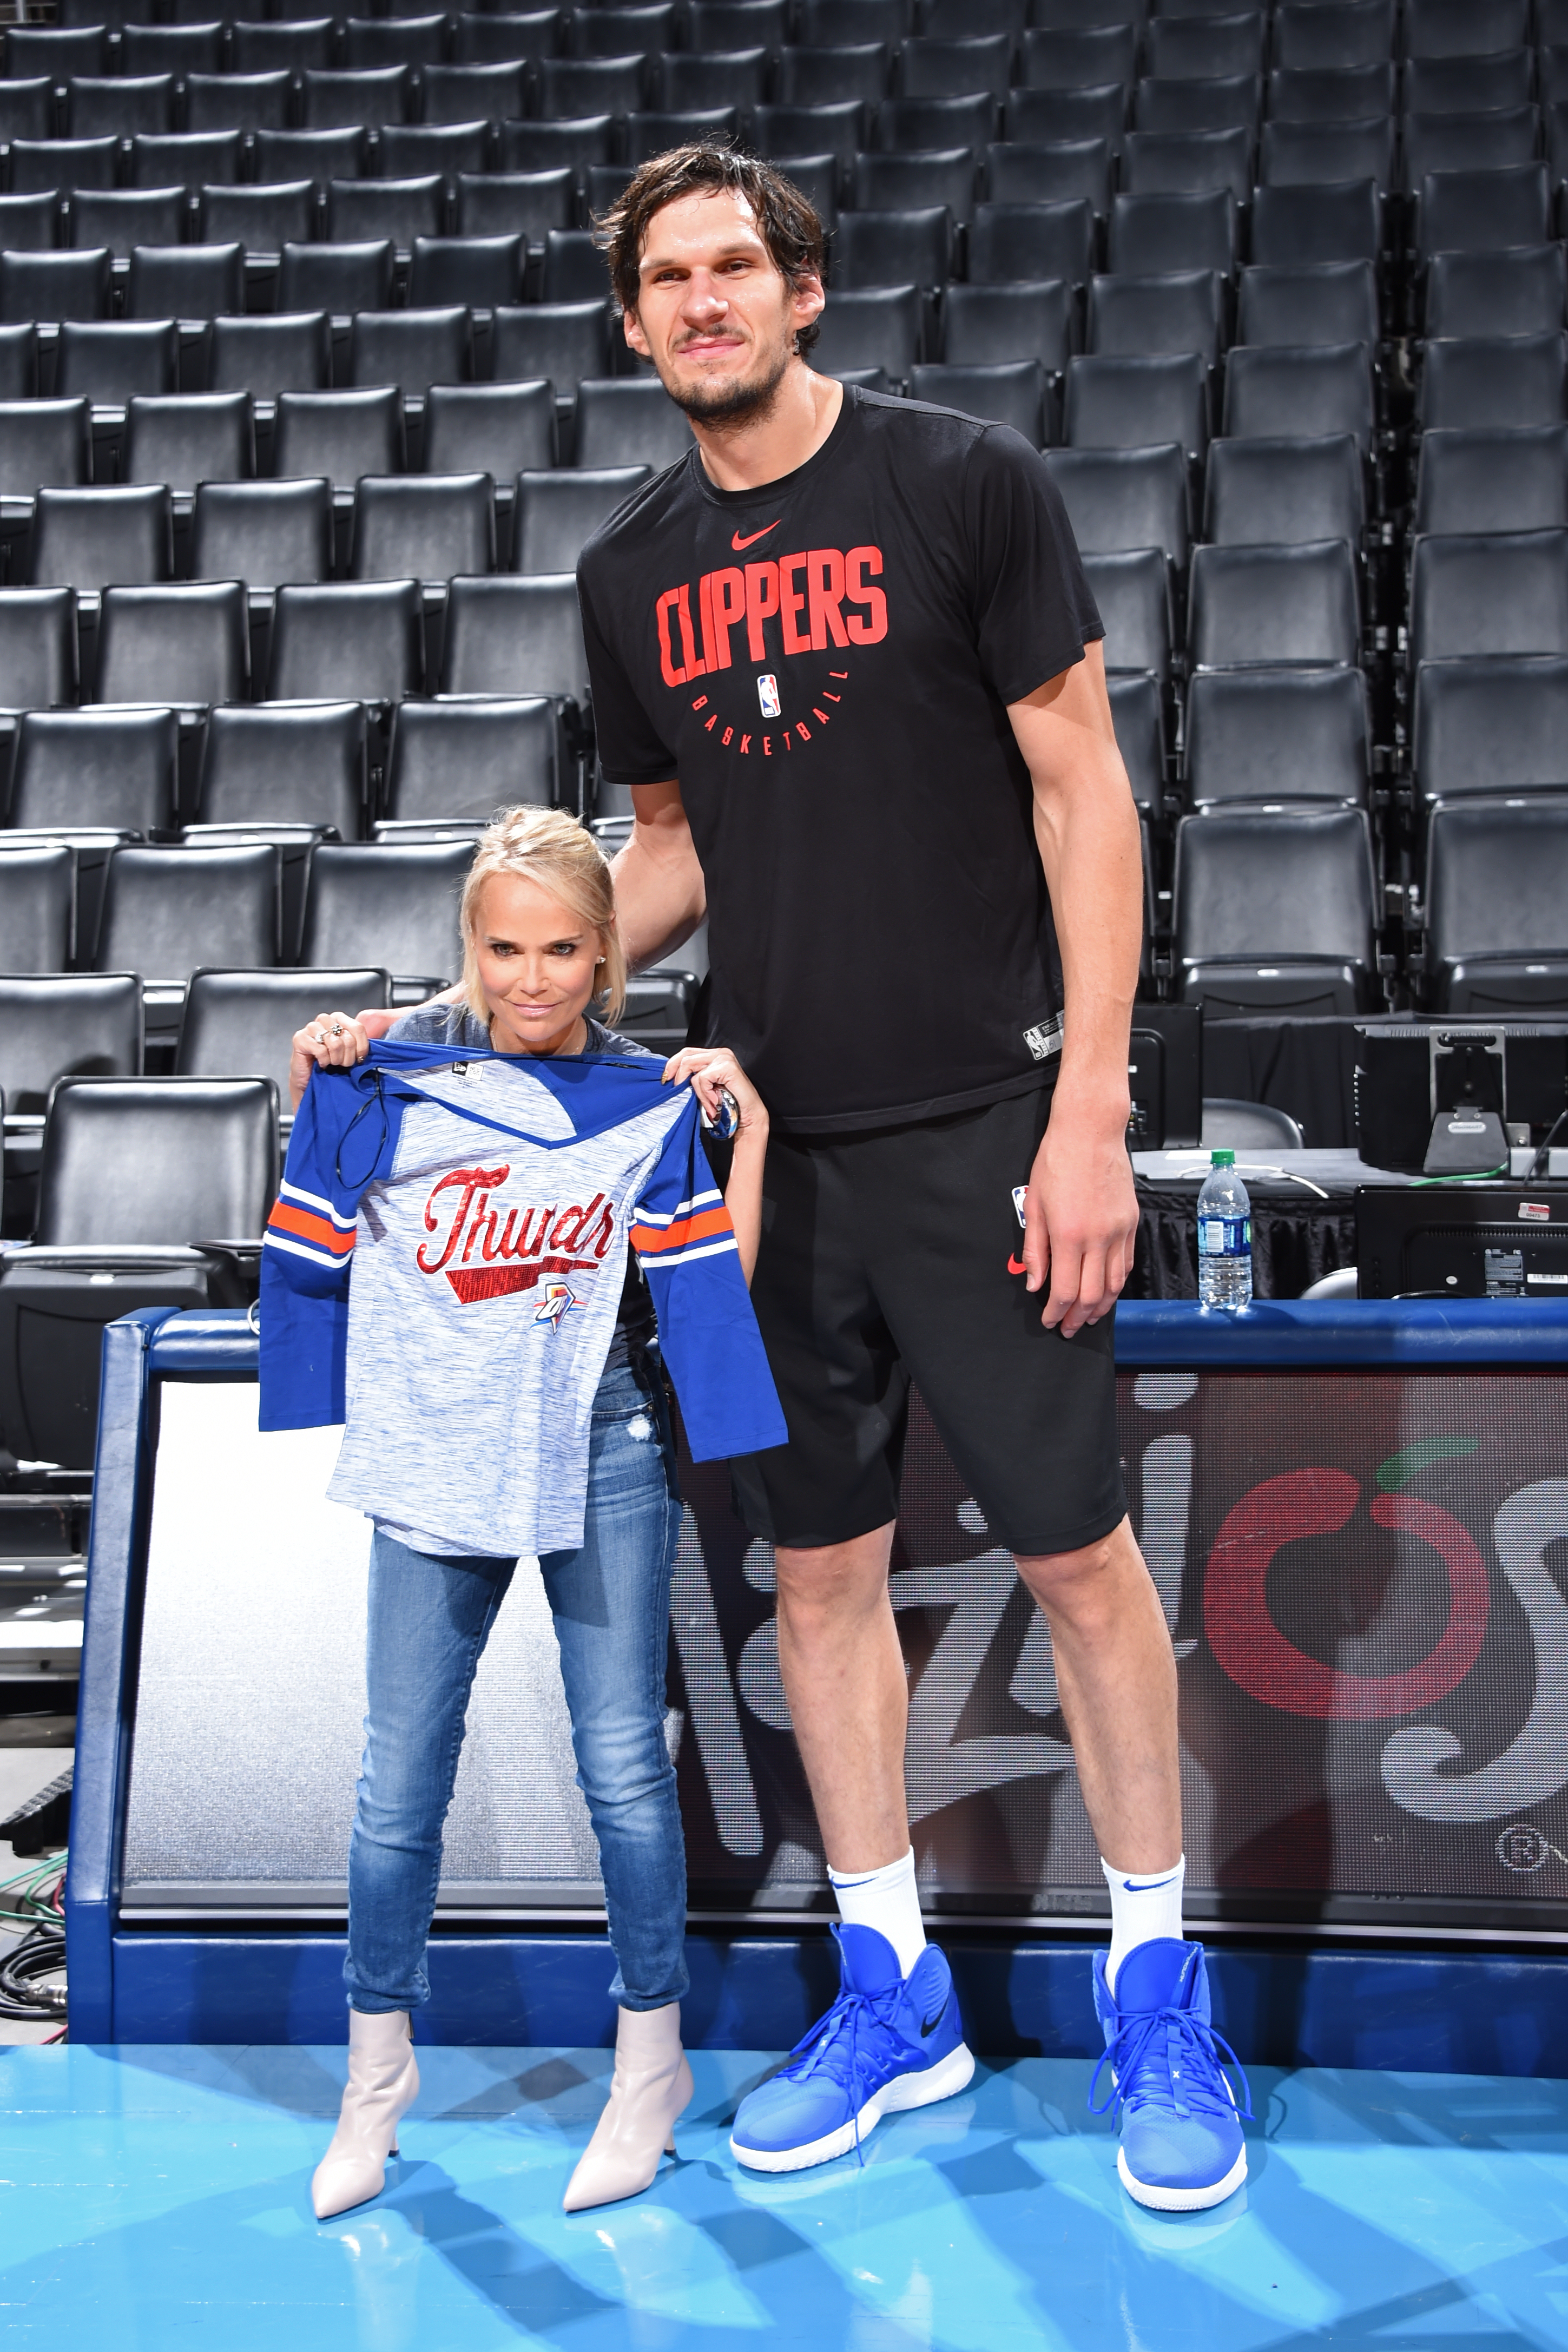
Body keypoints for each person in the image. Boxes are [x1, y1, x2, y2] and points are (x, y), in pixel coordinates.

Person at [570, 145, 1250, 2211]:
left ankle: (1157, 1987)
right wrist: (520, 983)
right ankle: (892, 1991)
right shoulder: (629, 572)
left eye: (732, 268)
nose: (701, 302)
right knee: (822, 1575)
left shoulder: (960, 485)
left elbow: (1086, 797)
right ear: (632, 326)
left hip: (984, 1113)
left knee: (1076, 1559)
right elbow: (674, 843)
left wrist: (1088, 1107)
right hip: (766, 1151)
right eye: (665, 279)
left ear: (800, 292)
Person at [273, 807, 778, 2221]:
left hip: (600, 1440)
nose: (533, 978)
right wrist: (312, 1068)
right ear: (470, 947)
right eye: (505, 948)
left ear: (607, 951)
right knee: (397, 1781)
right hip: (431, 1453)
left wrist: (743, 1129)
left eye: (563, 948)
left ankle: (649, 2062)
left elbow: (715, 1289)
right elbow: (308, 1229)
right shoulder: (390, 1066)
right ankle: (375, 2077)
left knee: (624, 1765)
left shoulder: (641, 1093)